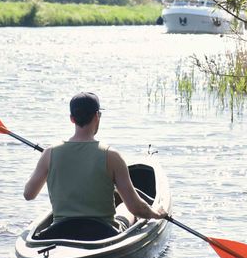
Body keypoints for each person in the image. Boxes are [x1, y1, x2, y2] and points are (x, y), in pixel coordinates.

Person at [23, 92, 167, 234]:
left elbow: (28, 194)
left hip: (60, 230)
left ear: (72, 118)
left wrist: (44, 163)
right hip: (103, 232)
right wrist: (156, 214)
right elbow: (135, 208)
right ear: (97, 116)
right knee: (124, 207)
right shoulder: (112, 156)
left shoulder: (49, 153)